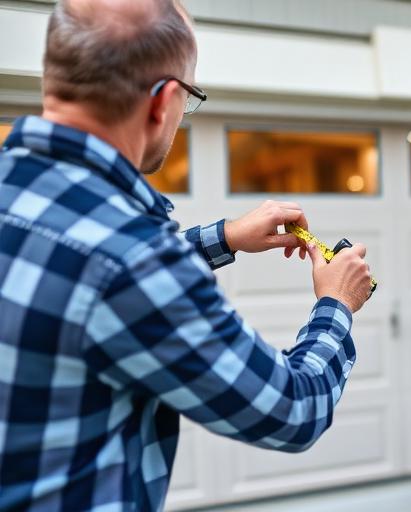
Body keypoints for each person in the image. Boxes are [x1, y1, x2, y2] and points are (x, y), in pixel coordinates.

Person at [0, 0, 374, 510]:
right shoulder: (136, 260)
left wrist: (226, 237)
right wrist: (337, 303)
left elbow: (84, 268)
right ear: (162, 101)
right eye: (189, 99)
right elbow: (293, 409)